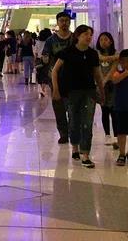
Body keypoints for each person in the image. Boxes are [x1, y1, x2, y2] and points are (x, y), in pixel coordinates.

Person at [52, 25, 103, 168]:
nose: (88, 37)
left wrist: (101, 91)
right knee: (74, 121)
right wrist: (56, 90)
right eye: (85, 34)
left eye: (90, 34)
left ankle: (85, 155)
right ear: (78, 36)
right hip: (72, 93)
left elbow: (97, 74)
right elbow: (55, 71)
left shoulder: (92, 54)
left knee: (87, 123)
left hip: (89, 92)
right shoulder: (67, 52)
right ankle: (75, 147)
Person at [42, 12, 74, 143]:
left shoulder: (75, 38)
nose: (64, 23)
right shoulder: (51, 40)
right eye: (62, 20)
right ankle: (63, 134)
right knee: (59, 107)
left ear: (70, 22)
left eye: (66, 20)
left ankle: (73, 132)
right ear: (57, 22)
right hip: (56, 78)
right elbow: (45, 57)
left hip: (73, 78)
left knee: (73, 107)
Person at [96, 32, 119, 149]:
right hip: (101, 85)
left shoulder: (116, 53)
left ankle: (116, 135)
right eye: (101, 40)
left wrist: (106, 80)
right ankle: (107, 135)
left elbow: (113, 68)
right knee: (104, 110)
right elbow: (99, 65)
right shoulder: (97, 53)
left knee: (114, 111)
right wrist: (102, 82)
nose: (103, 42)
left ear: (110, 41)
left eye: (106, 39)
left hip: (112, 85)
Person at [35, 28, 52, 97]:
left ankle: (40, 88)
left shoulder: (38, 42)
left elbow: (36, 52)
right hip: (47, 59)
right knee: (46, 74)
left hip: (39, 59)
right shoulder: (49, 42)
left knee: (39, 74)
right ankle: (43, 88)